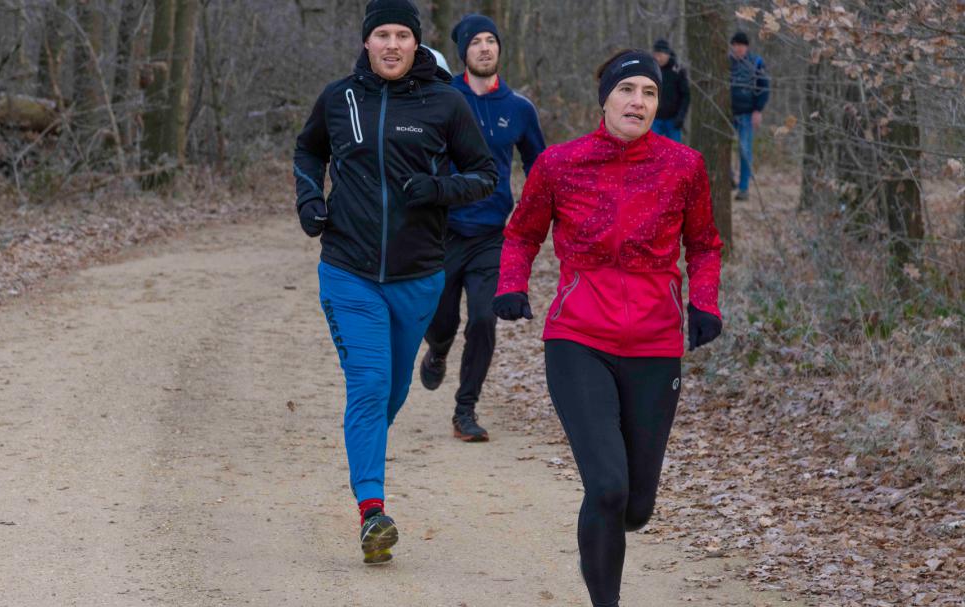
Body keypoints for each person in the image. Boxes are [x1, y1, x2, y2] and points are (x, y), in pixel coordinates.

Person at [492, 50, 724, 606]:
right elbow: (522, 234)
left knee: (636, 506)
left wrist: (705, 303)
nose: (637, 102)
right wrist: (511, 285)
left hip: (655, 343)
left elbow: (705, 244)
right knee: (607, 487)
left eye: (648, 92)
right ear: (606, 99)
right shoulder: (559, 165)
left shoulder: (683, 165)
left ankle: (612, 528)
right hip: (578, 339)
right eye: (627, 90)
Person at [293, 0, 496, 565]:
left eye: (401, 35)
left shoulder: (445, 103)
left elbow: (485, 175)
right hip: (348, 271)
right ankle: (372, 511)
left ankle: (364, 448)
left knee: (392, 391)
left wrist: (438, 190)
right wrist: (310, 198)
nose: (390, 44)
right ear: (366, 42)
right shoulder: (339, 99)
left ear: (415, 44)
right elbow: (308, 150)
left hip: (419, 276)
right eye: (380, 34)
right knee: (369, 382)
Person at [418, 13, 546, 442]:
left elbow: (540, 169)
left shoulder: (519, 108)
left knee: (483, 321)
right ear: (464, 52)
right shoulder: (440, 97)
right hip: (443, 230)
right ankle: (437, 352)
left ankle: (465, 409)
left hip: (492, 234)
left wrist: (533, 213)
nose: (486, 48)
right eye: (477, 42)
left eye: (492, 41)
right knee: (441, 321)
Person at [729, 30, 770, 201]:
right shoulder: (726, 63)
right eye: (735, 45)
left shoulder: (756, 63)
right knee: (721, 149)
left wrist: (757, 110)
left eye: (741, 45)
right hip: (727, 113)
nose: (738, 48)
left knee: (745, 151)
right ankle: (729, 179)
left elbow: (764, 87)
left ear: (746, 47)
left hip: (746, 114)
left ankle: (744, 188)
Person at [649, 38, 689, 143]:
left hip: (673, 120)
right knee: (653, 151)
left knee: (675, 152)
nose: (658, 58)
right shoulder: (651, 69)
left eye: (660, 55)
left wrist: (681, 116)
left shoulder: (677, 70)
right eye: (656, 54)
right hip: (654, 119)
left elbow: (685, 96)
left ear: (667, 54)